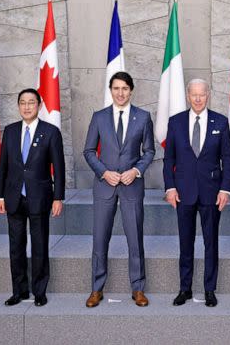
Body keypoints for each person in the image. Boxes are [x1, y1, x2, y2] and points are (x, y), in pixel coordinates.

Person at [83, 71, 155, 307]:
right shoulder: (99, 117)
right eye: (116, 88)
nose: (120, 93)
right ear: (111, 90)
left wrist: (135, 171)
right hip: (105, 185)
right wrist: (104, 172)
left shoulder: (143, 117)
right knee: (100, 239)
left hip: (132, 186)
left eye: (125, 88)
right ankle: (96, 288)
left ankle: (138, 288)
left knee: (135, 239)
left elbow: (149, 152)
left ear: (131, 90)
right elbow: (89, 151)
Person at [163, 78, 230, 308]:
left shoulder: (220, 122)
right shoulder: (175, 122)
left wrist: (225, 189)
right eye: (193, 94)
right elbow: (169, 159)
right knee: (186, 242)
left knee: (211, 242)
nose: (197, 98)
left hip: (211, 193)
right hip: (183, 193)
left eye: (201, 94)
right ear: (187, 95)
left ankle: (209, 289)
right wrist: (170, 187)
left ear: (208, 94)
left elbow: (227, 158)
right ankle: (185, 288)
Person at [0, 88, 65, 307]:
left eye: (31, 103)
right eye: (23, 103)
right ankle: (19, 291)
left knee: (39, 246)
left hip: (40, 198)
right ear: (19, 106)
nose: (27, 107)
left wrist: (58, 197)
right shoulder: (10, 131)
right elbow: (4, 166)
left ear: (39, 105)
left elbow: (59, 168)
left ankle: (39, 291)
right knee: (16, 247)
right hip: (14, 198)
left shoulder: (51, 132)